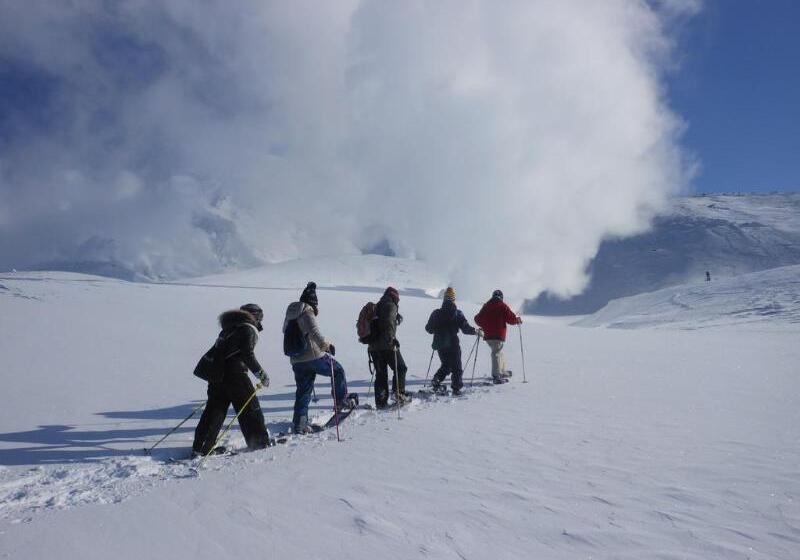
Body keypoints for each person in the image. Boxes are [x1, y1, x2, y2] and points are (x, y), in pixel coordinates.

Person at [192, 303, 271, 456]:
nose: (260, 322)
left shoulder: (228, 328)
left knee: (214, 411)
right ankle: (259, 443)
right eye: (260, 318)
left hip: (217, 375)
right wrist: (261, 375)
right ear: (254, 316)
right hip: (236, 375)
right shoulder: (247, 328)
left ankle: (201, 447)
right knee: (250, 408)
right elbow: (247, 354)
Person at [284, 282, 354, 434]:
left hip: (296, 360)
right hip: (314, 356)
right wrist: (327, 346)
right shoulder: (307, 311)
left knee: (303, 390)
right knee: (338, 370)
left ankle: (300, 423)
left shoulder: (290, 314)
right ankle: (341, 402)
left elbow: (285, 332)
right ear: (313, 302)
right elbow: (314, 332)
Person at [425, 287, 480, 395]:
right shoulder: (457, 313)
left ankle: (436, 380)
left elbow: (429, 329)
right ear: (454, 299)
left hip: (440, 344)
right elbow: (465, 329)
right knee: (456, 367)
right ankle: (456, 388)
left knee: (446, 365)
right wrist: (476, 331)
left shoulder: (436, 313)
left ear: (444, 299)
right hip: (453, 343)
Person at [368, 286, 410, 408]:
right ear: (395, 297)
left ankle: (381, 401)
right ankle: (398, 394)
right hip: (387, 345)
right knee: (401, 368)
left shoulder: (378, 305)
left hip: (373, 347)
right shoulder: (390, 305)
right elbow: (388, 324)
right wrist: (392, 339)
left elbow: (382, 322)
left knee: (381, 375)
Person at [474, 289, 522, 383]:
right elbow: (511, 319)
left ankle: (502, 371)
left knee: (498, 352)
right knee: (496, 353)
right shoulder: (502, 306)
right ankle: (496, 376)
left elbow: (477, 319)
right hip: (498, 335)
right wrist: (517, 320)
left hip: (488, 335)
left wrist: (484, 324)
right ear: (501, 297)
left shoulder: (486, 306)